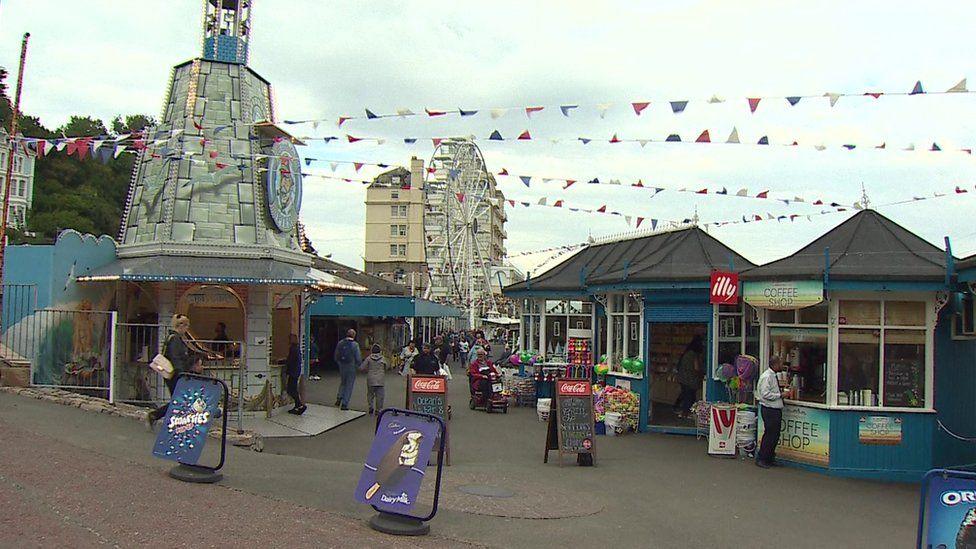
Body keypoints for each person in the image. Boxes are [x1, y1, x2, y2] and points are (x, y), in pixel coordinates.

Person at [145, 314, 202, 429]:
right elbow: (176, 357)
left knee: (179, 400)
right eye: (187, 326)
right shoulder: (175, 339)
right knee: (179, 400)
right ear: (181, 325)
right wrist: (182, 373)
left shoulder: (172, 338)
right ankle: (156, 416)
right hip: (175, 374)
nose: (187, 329)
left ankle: (158, 417)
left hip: (173, 374)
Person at [756, 356, 791, 468]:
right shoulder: (767, 376)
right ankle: (762, 458)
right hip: (769, 409)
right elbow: (765, 394)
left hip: (775, 408)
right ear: (775, 365)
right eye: (780, 364)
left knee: (775, 435)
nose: (782, 366)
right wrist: (780, 395)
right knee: (769, 435)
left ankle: (770, 457)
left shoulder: (772, 376)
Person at [674, 335, 704, 419]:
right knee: (689, 396)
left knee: (686, 395)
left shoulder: (686, 353)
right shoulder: (694, 355)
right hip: (691, 379)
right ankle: (687, 413)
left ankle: (683, 411)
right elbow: (696, 368)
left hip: (683, 378)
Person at [334, 329, 362, 410]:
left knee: (343, 382)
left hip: (342, 365)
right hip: (351, 365)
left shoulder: (340, 343)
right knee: (349, 384)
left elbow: (336, 354)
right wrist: (359, 365)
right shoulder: (355, 345)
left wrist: (339, 362)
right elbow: (358, 357)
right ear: (354, 335)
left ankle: (339, 398)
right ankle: (345, 403)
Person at [360, 344, 387, 415]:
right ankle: (378, 410)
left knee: (370, 394)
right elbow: (387, 367)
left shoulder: (368, 358)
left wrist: (368, 370)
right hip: (380, 379)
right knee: (380, 396)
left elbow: (362, 367)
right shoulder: (383, 358)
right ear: (380, 351)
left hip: (371, 379)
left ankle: (370, 407)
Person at [285, 333, 306, 415]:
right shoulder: (297, 348)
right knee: (293, 389)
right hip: (296, 371)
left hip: (293, 372)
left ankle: (299, 404)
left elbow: (290, 361)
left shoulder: (292, 349)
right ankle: (298, 405)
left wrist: (287, 371)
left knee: (291, 389)